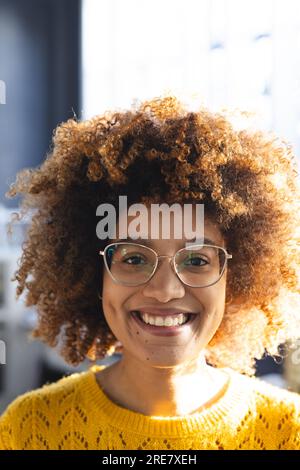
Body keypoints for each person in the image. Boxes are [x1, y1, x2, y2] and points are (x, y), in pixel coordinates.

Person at [1, 95, 300, 450]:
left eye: (197, 260)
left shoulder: (288, 430)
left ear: (235, 278)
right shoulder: (31, 430)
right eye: (134, 259)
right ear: (96, 276)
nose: (164, 290)